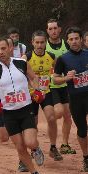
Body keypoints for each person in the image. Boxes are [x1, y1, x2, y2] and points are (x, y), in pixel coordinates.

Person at [0, 38, 44, 174]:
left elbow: (34, 78)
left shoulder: (21, 63)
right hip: (9, 113)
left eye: (3, 49)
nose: (1, 52)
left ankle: (36, 149)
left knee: (30, 142)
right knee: (20, 147)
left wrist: (36, 90)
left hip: (26, 108)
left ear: (9, 48)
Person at [22, 30, 63, 162]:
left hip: (46, 92)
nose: (40, 45)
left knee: (51, 117)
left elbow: (56, 72)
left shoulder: (51, 56)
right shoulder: (26, 58)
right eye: (37, 42)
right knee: (32, 124)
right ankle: (33, 149)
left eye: (42, 42)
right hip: (31, 95)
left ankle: (52, 147)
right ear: (32, 43)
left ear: (46, 43)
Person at [54, 26, 88, 172]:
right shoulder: (63, 59)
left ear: (81, 40)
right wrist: (66, 78)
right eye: (71, 39)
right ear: (67, 41)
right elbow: (55, 80)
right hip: (75, 99)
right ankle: (86, 158)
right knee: (82, 129)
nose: (74, 41)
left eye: (76, 38)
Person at [46, 18, 76, 154]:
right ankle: (52, 137)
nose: (53, 31)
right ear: (47, 31)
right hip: (51, 86)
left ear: (59, 29)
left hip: (66, 84)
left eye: (55, 28)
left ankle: (64, 144)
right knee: (57, 113)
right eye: (50, 29)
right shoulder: (43, 46)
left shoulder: (67, 45)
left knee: (68, 115)